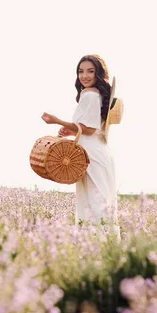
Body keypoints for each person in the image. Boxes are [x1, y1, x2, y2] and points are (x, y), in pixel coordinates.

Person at [41, 54, 120, 237]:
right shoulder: (95, 94)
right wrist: (71, 130)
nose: (84, 76)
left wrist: (56, 121)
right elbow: (90, 128)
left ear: (98, 74)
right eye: (81, 71)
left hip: (91, 156)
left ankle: (95, 248)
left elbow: (90, 129)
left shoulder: (91, 95)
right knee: (100, 205)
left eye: (90, 71)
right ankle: (104, 248)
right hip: (97, 153)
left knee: (93, 205)